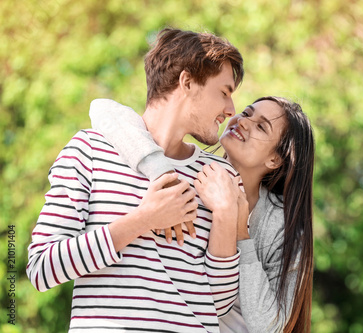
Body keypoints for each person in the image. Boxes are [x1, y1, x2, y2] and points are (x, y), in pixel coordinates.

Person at [27, 27, 245, 332]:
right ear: (187, 82)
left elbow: (219, 303)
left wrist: (225, 213)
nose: (231, 110)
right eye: (224, 92)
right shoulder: (89, 151)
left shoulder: (218, 178)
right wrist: (143, 220)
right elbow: (42, 268)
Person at [89, 96, 315, 332]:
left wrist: (239, 231)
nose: (243, 121)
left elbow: (270, 327)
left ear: (275, 159)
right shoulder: (186, 175)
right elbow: (103, 109)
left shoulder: (279, 225)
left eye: (261, 126)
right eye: (247, 113)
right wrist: (159, 171)